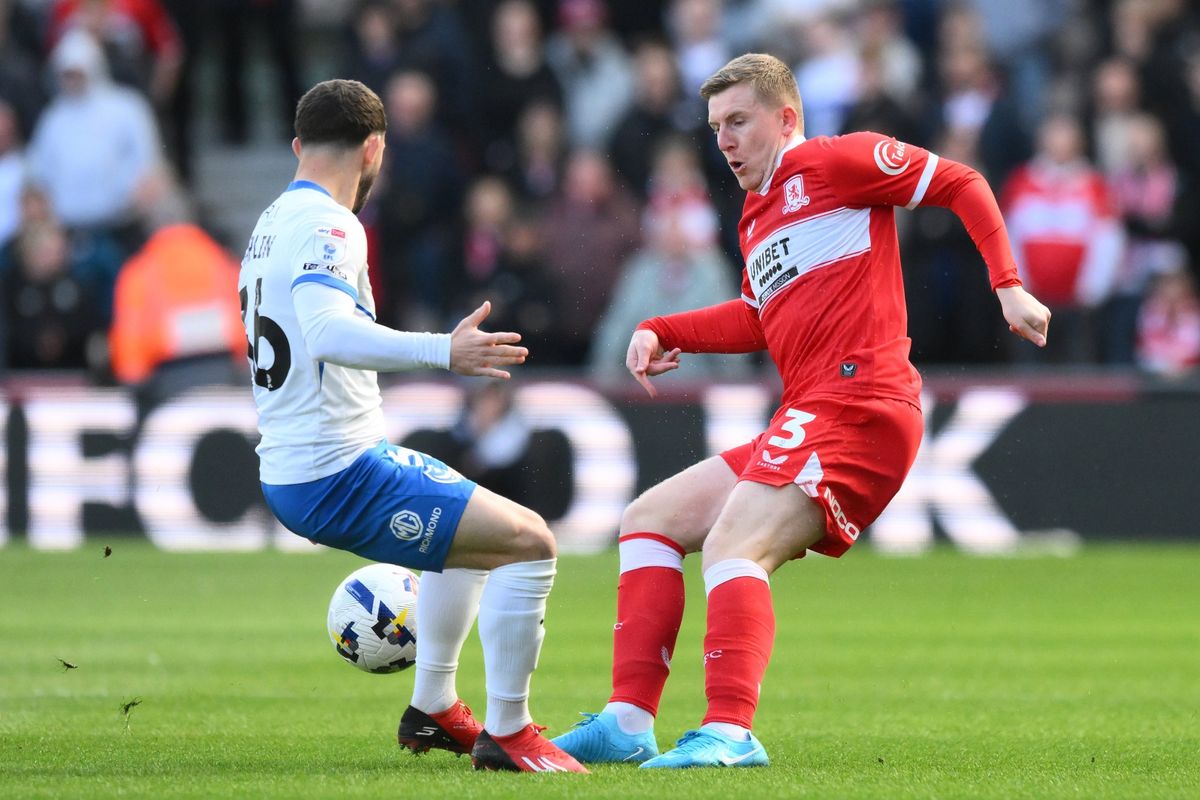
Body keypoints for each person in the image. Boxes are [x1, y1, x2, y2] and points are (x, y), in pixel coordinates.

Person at [550, 53, 1051, 769]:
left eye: (739, 121)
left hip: (861, 403)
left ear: (786, 118)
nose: (724, 140)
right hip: (815, 408)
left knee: (732, 545)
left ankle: (730, 730)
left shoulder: (836, 162)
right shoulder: (756, 217)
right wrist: (665, 329)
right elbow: (759, 318)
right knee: (650, 520)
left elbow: (961, 182)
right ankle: (629, 718)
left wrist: (1007, 284)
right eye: (716, 125)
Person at [240, 79, 585, 774]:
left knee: (467, 544)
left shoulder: (272, 221)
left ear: (298, 146)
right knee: (531, 543)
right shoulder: (330, 225)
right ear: (374, 148)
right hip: (334, 470)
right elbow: (329, 332)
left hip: (303, 462)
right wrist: (442, 351)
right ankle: (510, 735)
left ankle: (433, 708)